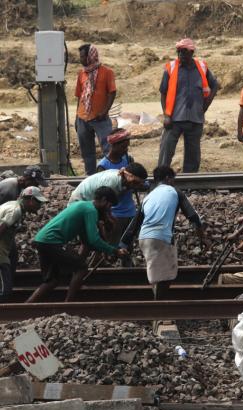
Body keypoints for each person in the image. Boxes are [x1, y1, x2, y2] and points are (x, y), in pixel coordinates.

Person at [26, 187, 128, 303]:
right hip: (52, 241)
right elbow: (93, 240)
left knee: (52, 281)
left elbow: (87, 240)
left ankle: (26, 307)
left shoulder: (84, 206)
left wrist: (106, 250)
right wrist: (115, 251)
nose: (109, 210)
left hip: (42, 240)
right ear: (104, 200)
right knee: (82, 268)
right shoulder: (90, 210)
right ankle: (69, 304)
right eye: (110, 205)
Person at [121, 166, 205, 300]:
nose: (173, 182)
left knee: (158, 273)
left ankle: (157, 305)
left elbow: (135, 223)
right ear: (167, 178)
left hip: (144, 238)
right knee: (165, 277)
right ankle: (158, 307)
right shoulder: (174, 192)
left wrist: (123, 243)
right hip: (160, 237)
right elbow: (193, 216)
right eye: (173, 179)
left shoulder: (149, 196)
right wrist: (203, 238)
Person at [158, 38, 219, 173]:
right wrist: (166, 115)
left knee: (193, 155)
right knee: (166, 151)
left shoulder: (202, 67)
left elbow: (215, 85)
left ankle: (189, 183)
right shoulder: (171, 68)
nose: (180, 55)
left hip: (195, 118)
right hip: (174, 119)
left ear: (191, 52)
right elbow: (163, 92)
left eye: (184, 52)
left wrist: (205, 106)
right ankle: (161, 179)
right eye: (178, 52)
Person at [0, 187, 48, 300]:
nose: (40, 206)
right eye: (39, 202)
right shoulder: (15, 211)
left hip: (4, 252)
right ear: (31, 200)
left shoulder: (12, 204)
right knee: (4, 292)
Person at [75, 44, 116, 175]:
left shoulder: (107, 72)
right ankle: (90, 176)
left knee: (108, 148)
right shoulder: (82, 73)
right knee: (87, 151)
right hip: (83, 117)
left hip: (100, 118)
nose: (81, 59)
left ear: (90, 56)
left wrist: (104, 111)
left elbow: (112, 93)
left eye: (83, 56)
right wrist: (77, 117)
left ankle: (110, 174)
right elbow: (80, 95)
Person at [96, 128, 138, 249]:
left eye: (127, 147)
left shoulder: (128, 160)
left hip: (130, 211)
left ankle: (126, 266)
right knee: (113, 246)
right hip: (114, 214)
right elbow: (102, 194)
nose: (126, 150)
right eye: (123, 147)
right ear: (113, 146)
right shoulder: (103, 166)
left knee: (127, 246)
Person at [69, 162, 147, 204]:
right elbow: (101, 204)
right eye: (135, 183)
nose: (136, 186)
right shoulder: (112, 183)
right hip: (80, 201)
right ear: (130, 178)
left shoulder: (121, 179)